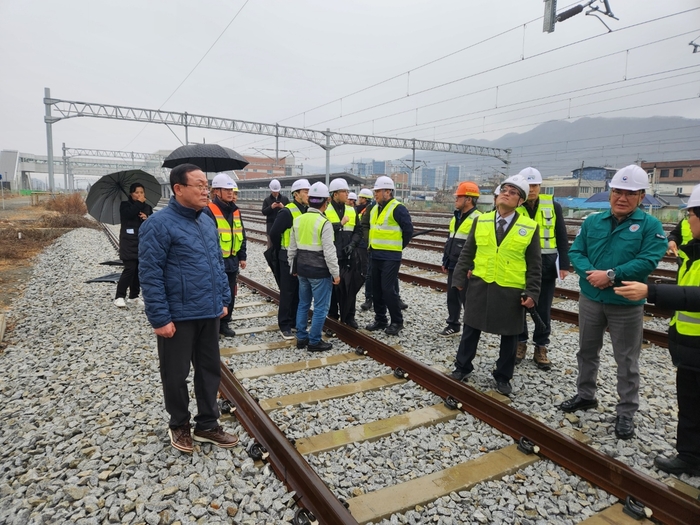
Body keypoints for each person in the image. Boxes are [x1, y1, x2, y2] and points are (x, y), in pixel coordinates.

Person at [562, 164, 667, 440]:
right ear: (610, 193)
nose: (622, 197)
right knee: (586, 350)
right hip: (592, 298)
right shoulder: (593, 221)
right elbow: (576, 251)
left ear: (641, 197)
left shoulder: (651, 226)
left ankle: (626, 412)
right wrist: (591, 275)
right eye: (617, 191)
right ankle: (586, 395)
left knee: (627, 360)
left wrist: (611, 275)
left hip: (626, 304)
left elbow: (648, 260)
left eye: (630, 193)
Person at [139, 163, 237, 453]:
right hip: (178, 316)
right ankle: (179, 424)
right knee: (175, 373)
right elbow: (150, 274)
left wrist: (222, 300)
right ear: (178, 189)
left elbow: (217, 264)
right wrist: (159, 317)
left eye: (206, 185)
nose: (205, 190)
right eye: (199, 185)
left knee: (209, 371)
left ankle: (207, 425)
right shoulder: (158, 225)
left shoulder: (206, 220)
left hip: (208, 312)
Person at [614, 184, 700, 475]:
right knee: (689, 402)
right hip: (689, 345)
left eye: (690, 216)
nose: (686, 222)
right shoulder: (693, 250)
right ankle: (690, 456)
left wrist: (651, 291)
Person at [449, 174, 541, 396]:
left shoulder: (529, 227)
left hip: (510, 289)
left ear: (520, 201)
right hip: (480, 284)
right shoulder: (481, 221)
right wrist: (459, 279)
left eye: (513, 192)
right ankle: (462, 367)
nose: (507, 194)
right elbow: (467, 252)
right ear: (497, 195)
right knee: (470, 328)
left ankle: (503, 376)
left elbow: (535, 264)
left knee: (510, 336)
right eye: (504, 190)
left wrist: (532, 292)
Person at [515, 167, 570, 371]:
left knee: (543, 308)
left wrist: (564, 264)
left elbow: (561, 235)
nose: (531, 189)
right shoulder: (514, 205)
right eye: (528, 185)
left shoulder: (553, 206)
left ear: (540, 186)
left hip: (546, 266)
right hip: (519, 266)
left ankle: (541, 346)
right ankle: (520, 342)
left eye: (535, 185)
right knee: (519, 306)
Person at [288, 182, 341, 352]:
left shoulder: (298, 220)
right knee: (320, 307)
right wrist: (336, 273)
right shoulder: (324, 223)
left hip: (302, 270)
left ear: (310, 200)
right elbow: (329, 252)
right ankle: (314, 341)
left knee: (303, 304)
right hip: (319, 272)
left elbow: (292, 249)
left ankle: (301, 338)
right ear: (326, 202)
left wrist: (292, 268)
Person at [365, 176, 413, 335]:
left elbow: (408, 231)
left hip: (391, 256)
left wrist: (398, 247)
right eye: (375, 191)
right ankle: (380, 320)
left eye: (378, 191)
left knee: (387, 289)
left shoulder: (398, 208)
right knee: (376, 289)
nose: (375, 194)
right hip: (375, 254)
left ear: (388, 191)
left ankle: (397, 321)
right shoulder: (374, 208)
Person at [202, 173, 247, 338]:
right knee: (215, 291)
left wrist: (242, 256)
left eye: (231, 190)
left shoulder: (235, 211)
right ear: (216, 192)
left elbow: (241, 234)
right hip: (215, 261)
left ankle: (225, 322)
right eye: (226, 189)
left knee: (230, 292)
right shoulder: (208, 211)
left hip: (232, 260)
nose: (230, 192)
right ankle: (214, 323)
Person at [438, 181, 481, 337]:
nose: (455, 200)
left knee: (467, 298)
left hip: (466, 266)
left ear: (468, 199)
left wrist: (472, 266)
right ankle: (454, 324)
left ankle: (471, 328)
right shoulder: (456, 217)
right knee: (452, 296)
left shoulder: (478, 218)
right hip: (453, 263)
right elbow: (450, 240)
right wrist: (445, 260)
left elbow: (480, 246)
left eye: (458, 197)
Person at [270, 178, 311, 339]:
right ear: (296, 194)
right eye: (305, 192)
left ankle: (294, 321)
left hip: (301, 257)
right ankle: (285, 324)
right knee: (287, 292)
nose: (308, 194)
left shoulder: (307, 210)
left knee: (299, 291)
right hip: (286, 257)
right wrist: (281, 249)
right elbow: (274, 232)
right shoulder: (287, 211)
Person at [325, 178, 362, 328]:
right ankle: (333, 315)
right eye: (344, 191)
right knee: (333, 288)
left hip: (348, 256)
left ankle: (349, 316)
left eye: (347, 191)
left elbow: (358, 231)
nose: (347, 194)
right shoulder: (326, 212)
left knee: (350, 287)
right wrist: (339, 224)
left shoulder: (352, 210)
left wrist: (353, 244)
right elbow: (323, 230)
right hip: (333, 256)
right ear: (335, 194)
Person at [114, 182, 152, 308]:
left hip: (142, 242)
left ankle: (134, 296)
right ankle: (119, 296)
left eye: (141, 192)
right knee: (129, 269)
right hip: (128, 242)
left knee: (138, 270)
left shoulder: (147, 207)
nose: (139, 195)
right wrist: (138, 204)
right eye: (136, 193)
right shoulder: (125, 205)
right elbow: (129, 214)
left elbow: (152, 222)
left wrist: (147, 218)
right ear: (131, 194)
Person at [262, 179, 289, 247]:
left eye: (276, 191)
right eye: (274, 191)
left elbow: (290, 211)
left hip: (282, 227)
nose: (275, 193)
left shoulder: (285, 199)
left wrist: (283, 207)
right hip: (270, 227)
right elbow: (264, 212)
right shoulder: (267, 200)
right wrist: (271, 207)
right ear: (271, 190)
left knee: (281, 247)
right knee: (271, 247)